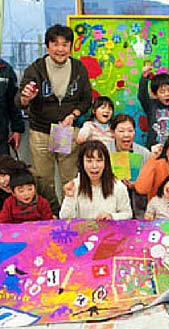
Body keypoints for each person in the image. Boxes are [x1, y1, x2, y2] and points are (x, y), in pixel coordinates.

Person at [15, 24, 92, 213]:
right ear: (48, 46)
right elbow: (19, 100)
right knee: (43, 180)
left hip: (66, 131)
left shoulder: (78, 68)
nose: (60, 49)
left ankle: (70, 217)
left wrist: (73, 115)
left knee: (70, 179)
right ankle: (49, 217)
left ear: (70, 47)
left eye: (65, 44)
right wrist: (26, 97)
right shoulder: (36, 69)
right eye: (55, 44)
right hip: (40, 132)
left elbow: (86, 99)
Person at [59, 140, 132, 221]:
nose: (94, 166)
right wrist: (69, 197)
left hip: (109, 228)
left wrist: (112, 216)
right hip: (83, 229)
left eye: (99, 161)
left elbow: (128, 214)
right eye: (89, 161)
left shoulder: (118, 186)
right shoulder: (75, 185)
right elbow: (64, 218)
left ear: (106, 163)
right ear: (82, 163)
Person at [108, 113, 152, 217]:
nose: (126, 135)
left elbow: (150, 182)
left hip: (138, 202)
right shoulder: (105, 151)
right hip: (112, 202)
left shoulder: (144, 153)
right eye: (121, 131)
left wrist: (138, 184)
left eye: (130, 131)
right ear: (113, 132)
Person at [138, 66, 169, 148]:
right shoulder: (151, 106)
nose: (167, 94)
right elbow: (142, 96)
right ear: (155, 94)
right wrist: (144, 78)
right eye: (162, 92)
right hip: (154, 149)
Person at [0, 58, 24, 157]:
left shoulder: (5, 69)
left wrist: (17, 129)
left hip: (1, 138)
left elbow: (13, 103)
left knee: (4, 165)